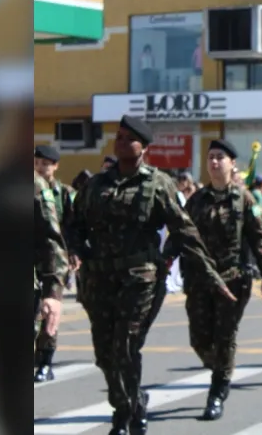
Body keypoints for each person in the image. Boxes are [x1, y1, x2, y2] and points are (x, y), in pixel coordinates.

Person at [69, 115, 236, 435]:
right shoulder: (96, 185)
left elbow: (186, 233)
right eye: (117, 137)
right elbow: (73, 224)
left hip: (140, 281)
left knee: (125, 348)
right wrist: (76, 249)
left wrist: (213, 277)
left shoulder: (158, 185)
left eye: (127, 138)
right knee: (105, 355)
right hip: (99, 282)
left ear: (143, 148)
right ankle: (131, 402)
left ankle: (125, 415)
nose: (118, 142)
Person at [164, 139, 262, 421]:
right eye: (211, 157)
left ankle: (217, 392)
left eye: (220, 157)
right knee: (200, 340)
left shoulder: (244, 199)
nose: (214, 162)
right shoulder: (197, 200)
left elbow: (258, 239)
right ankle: (223, 369)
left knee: (225, 337)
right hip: (199, 279)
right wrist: (164, 260)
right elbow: (181, 233)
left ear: (232, 164)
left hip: (232, 280)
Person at [33, 145, 77, 383]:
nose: (40, 167)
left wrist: (72, 254)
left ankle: (46, 361)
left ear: (55, 166)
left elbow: (69, 228)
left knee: (51, 310)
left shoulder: (65, 193)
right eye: (37, 162)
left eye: (46, 164)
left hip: (56, 259)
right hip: (33, 258)